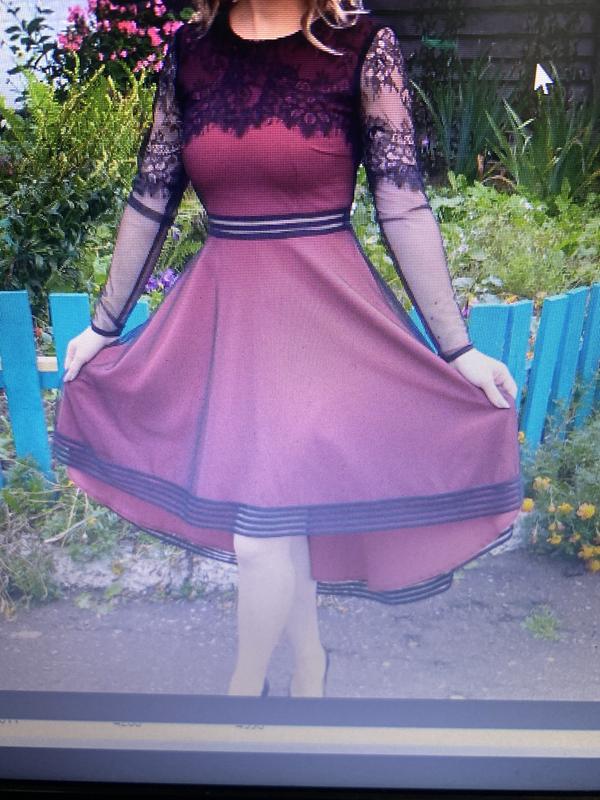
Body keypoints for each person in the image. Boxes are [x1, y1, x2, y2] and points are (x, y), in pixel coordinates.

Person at [52, 0, 523, 698]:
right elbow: (152, 196)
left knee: (260, 525)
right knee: (274, 516)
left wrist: (457, 350)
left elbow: (402, 202)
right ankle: (310, 666)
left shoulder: (362, 46)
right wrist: (103, 326)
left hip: (322, 325)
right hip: (228, 326)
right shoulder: (190, 52)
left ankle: (244, 692)